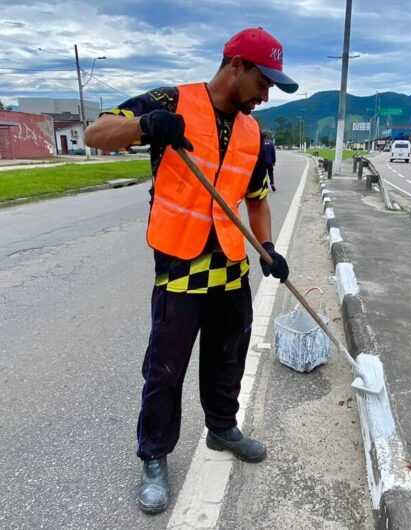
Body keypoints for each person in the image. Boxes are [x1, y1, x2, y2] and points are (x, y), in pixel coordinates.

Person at [85, 27, 298, 515]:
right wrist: (148, 126)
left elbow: (256, 200)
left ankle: (222, 428)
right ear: (236, 66)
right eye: (263, 82)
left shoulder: (254, 134)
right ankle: (155, 456)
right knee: (165, 370)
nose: (266, 95)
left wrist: (267, 249)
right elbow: (97, 134)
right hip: (180, 268)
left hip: (230, 269)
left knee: (228, 358)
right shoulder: (171, 100)